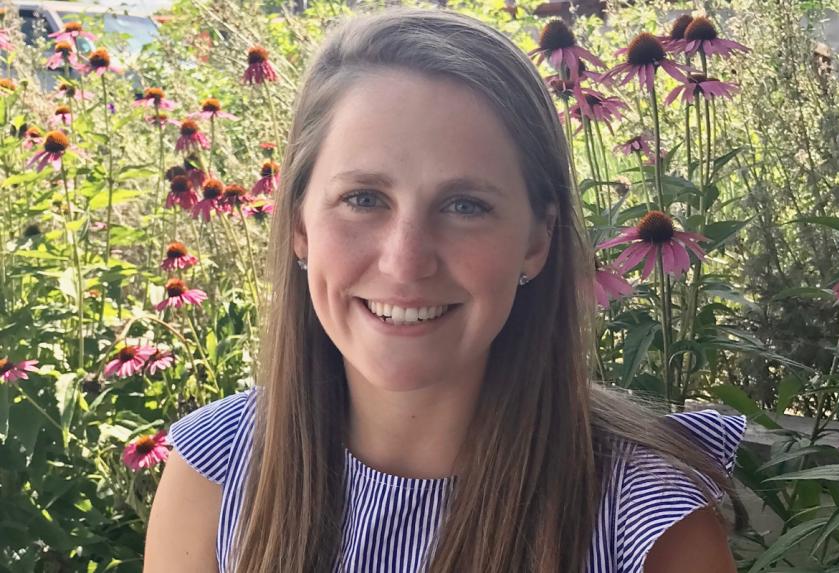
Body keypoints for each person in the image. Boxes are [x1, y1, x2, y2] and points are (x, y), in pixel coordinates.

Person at [144, 7, 748, 572]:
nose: (406, 261)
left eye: (465, 205)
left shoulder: (646, 529)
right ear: (300, 224)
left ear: (538, 240)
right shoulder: (215, 472)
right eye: (363, 199)